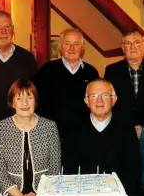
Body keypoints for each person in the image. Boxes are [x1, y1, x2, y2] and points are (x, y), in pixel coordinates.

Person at [34, 28, 99, 173]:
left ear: (82, 48)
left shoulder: (92, 72)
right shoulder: (46, 71)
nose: (72, 48)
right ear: (60, 47)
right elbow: (36, 104)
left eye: (76, 44)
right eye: (67, 44)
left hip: (84, 138)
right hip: (52, 139)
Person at [67, 78, 141, 196]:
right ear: (87, 101)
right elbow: (69, 170)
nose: (99, 100)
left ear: (114, 100)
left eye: (105, 95)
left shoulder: (126, 128)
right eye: (93, 96)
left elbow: (133, 170)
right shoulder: (73, 129)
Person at [0, 79, 61, 196]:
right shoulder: (0, 128)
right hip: (10, 193)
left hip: (44, 191)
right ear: (12, 103)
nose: (25, 103)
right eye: (19, 98)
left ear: (35, 101)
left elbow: (55, 167)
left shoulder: (49, 127)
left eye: (29, 97)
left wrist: (37, 194)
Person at [104, 29, 144, 139]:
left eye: (137, 42)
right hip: (121, 133)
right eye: (128, 43)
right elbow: (109, 103)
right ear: (123, 48)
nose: (132, 47)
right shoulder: (111, 71)